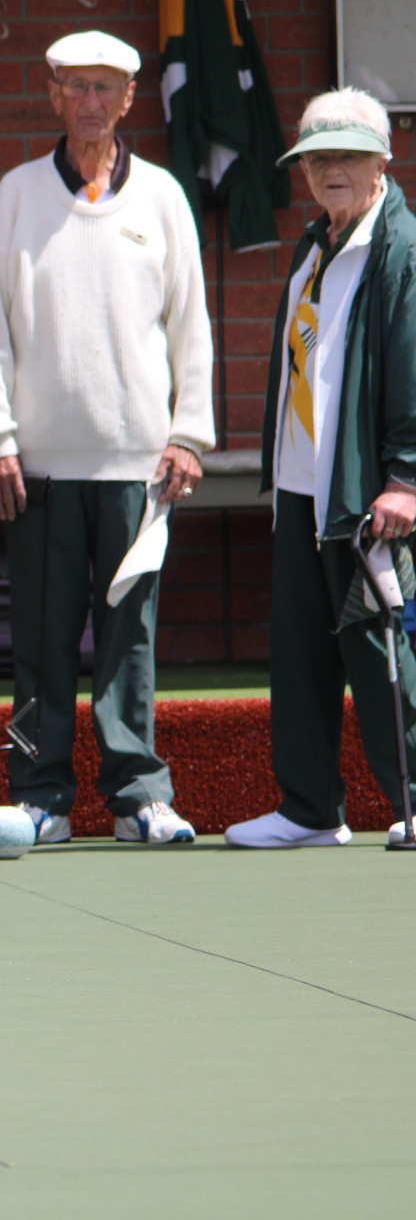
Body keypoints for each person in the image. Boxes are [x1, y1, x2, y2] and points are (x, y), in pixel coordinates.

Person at [0, 30, 213, 848]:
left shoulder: (165, 197)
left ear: (131, 99)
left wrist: (189, 435)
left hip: (140, 468)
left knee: (128, 639)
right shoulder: (20, 192)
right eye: (77, 87)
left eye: (108, 88)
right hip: (35, 469)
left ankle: (139, 794)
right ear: (53, 92)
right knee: (38, 641)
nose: (92, 103)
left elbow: (192, 329)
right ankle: (40, 793)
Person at [226, 88, 416, 848]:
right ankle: (308, 806)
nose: (330, 168)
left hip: (365, 489)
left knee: (377, 645)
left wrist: (405, 476)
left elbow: (409, 366)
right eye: (317, 156)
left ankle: (412, 795)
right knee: (301, 647)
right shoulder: (316, 243)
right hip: (305, 487)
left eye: (346, 154)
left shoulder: (399, 248)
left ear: (382, 160)